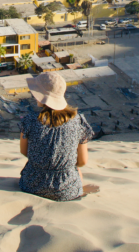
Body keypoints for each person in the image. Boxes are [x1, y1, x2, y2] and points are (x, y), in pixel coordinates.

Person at [19, 72, 98, 201]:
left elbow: (24, 151)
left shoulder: (29, 120)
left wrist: (43, 160)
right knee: (76, 169)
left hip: (31, 186)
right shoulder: (78, 122)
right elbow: (83, 161)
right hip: (67, 190)